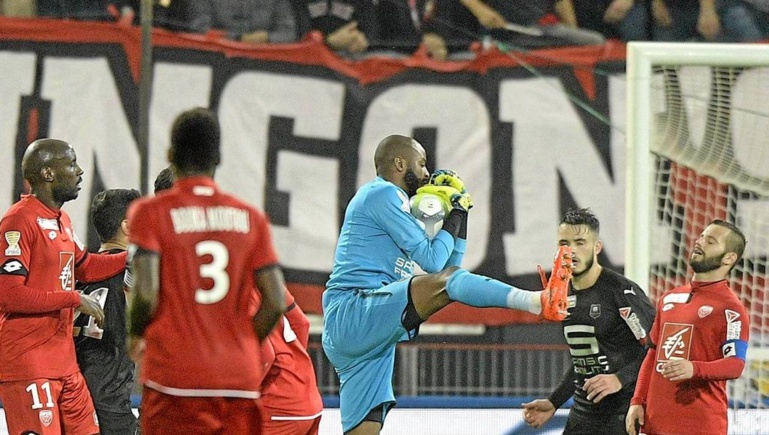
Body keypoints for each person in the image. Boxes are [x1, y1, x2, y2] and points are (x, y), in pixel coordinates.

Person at [321, 134, 570, 434]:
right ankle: (537, 301)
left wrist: (460, 214)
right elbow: (434, 263)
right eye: (422, 163)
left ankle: (539, 301)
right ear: (400, 163)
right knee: (448, 282)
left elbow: (449, 267)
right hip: (355, 309)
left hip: (363, 333)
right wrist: (453, 212)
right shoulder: (382, 194)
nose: (427, 173)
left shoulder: (395, 205)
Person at [126, 107, 286, 434]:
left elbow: (145, 291)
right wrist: (240, 345)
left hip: (175, 377)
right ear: (218, 158)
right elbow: (274, 302)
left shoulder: (151, 213)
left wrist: (135, 333)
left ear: (171, 154)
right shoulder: (250, 217)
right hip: (237, 380)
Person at [0, 138, 127, 434]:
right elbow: (9, 295)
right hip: (28, 364)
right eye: (71, 164)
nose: (80, 171)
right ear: (47, 174)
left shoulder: (62, 220)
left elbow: (85, 266)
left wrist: (132, 256)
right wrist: (72, 298)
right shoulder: (18, 221)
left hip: (65, 365)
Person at [522, 208, 655, 434]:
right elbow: (583, 357)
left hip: (625, 412)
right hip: (583, 413)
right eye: (564, 243)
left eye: (580, 242)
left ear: (597, 247)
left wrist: (620, 379)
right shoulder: (562, 295)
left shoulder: (621, 292)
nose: (571, 250)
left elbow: (656, 347)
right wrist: (554, 401)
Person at [626, 219, 749, 435]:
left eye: (711, 241)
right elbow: (652, 354)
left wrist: (694, 368)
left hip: (700, 425)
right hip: (656, 423)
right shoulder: (669, 298)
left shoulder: (731, 309)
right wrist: (637, 400)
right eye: (702, 236)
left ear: (729, 258)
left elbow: (735, 365)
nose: (700, 242)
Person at [74, 188, 141, 435]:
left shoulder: (73, 276)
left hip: (73, 403)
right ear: (127, 226)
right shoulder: (135, 274)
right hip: (112, 410)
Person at [260, 288, 324, 434]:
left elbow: (266, 355)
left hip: (278, 409)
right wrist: (294, 364)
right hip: (308, 401)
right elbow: (301, 323)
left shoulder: (237, 293)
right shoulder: (268, 282)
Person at [187, 0, 299, 44]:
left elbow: (289, 33)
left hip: (266, 63)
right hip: (217, 59)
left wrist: (266, 38)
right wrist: (239, 38)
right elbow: (199, 31)